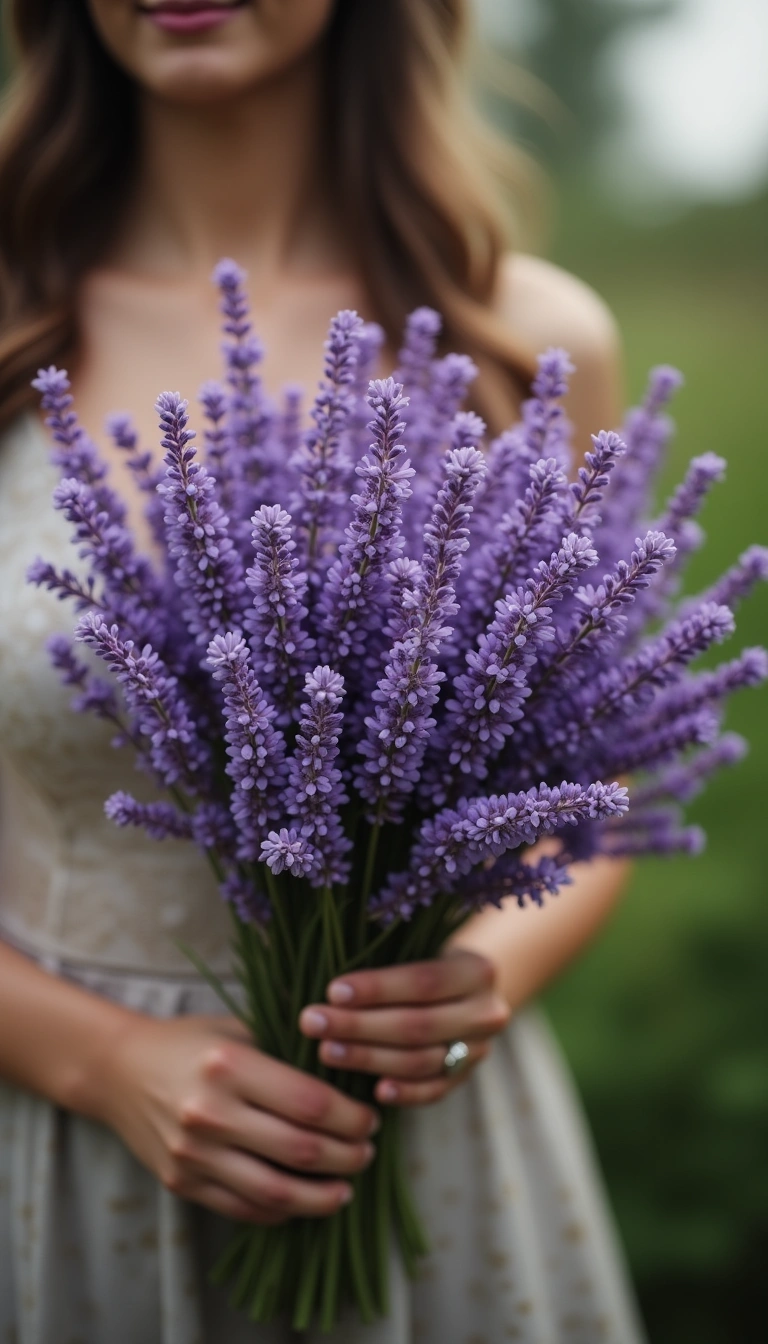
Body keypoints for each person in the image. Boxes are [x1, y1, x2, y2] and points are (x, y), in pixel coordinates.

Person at [0, 2, 645, 1340]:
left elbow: (601, 795)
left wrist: (474, 988)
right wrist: (100, 1060)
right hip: (60, 1147)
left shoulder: (526, 337)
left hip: (430, 1142)